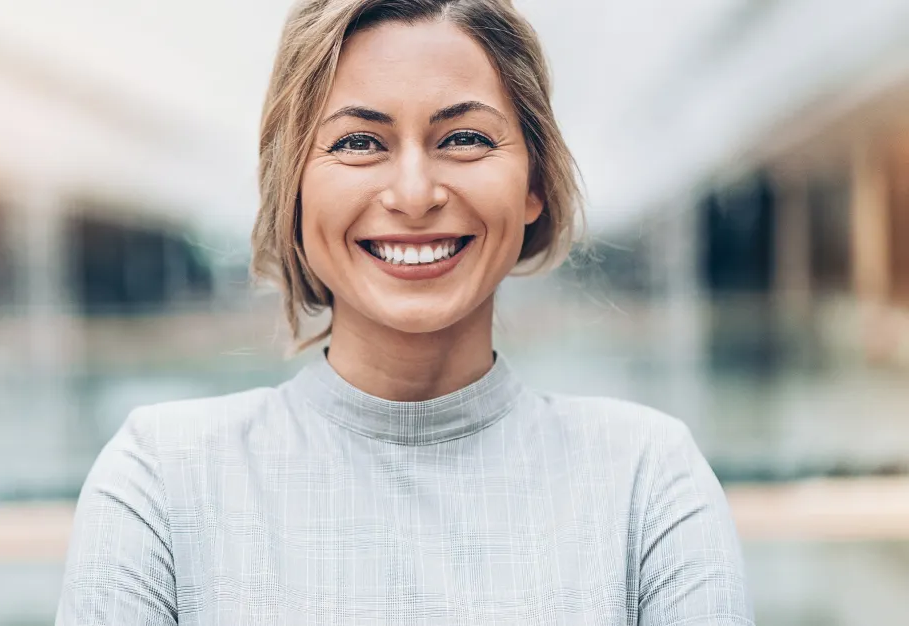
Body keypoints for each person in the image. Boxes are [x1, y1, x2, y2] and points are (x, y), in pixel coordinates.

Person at [57, 0, 753, 623]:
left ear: (534, 182)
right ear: (292, 187)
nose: (415, 195)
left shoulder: (645, 480)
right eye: (359, 142)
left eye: (464, 138)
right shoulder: (160, 480)